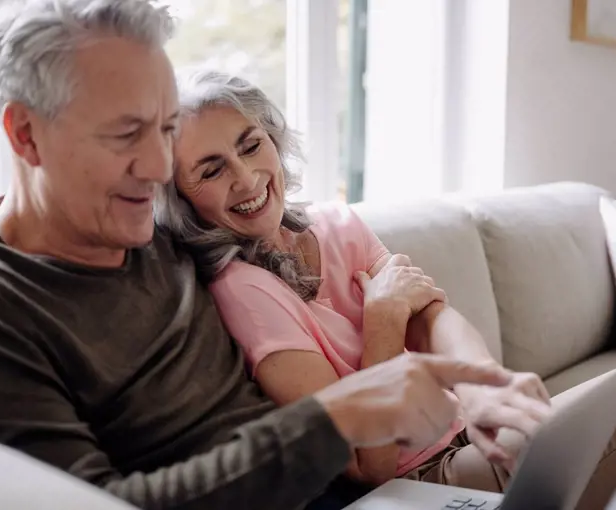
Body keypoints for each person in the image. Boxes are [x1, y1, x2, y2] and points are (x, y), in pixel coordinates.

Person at [0, 2, 521, 510]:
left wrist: (482, 384)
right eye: (124, 134)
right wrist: (334, 419)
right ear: (25, 134)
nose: (161, 168)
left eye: (165, 130)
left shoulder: (162, 234)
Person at [158, 70, 616, 508]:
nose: (246, 176)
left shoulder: (335, 224)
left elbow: (430, 314)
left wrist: (483, 391)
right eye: (211, 171)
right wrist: (383, 318)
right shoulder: (243, 292)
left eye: (251, 145)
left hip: (463, 433)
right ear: (182, 199)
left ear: (274, 141)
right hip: (421, 480)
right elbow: (368, 465)